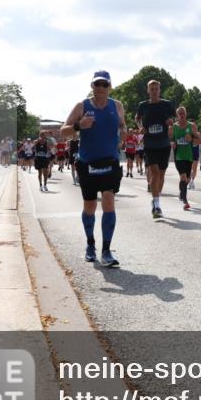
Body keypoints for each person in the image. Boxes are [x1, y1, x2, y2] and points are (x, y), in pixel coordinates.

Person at [61, 70, 125, 267]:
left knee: (108, 199)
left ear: (109, 87)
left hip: (110, 161)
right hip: (88, 163)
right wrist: (80, 126)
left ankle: (106, 250)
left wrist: (123, 134)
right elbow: (64, 131)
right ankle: (90, 244)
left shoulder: (117, 106)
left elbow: (122, 125)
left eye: (104, 85)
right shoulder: (82, 106)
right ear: (92, 86)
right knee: (90, 206)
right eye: (97, 84)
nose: (101, 88)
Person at [136, 79, 175, 219]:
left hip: (164, 143)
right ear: (148, 90)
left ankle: (155, 198)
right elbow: (137, 118)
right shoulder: (143, 105)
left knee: (162, 174)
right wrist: (140, 126)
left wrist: (170, 123)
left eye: (156, 88)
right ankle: (157, 205)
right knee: (154, 173)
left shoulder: (167, 104)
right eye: (151, 88)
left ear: (160, 90)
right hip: (150, 143)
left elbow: (172, 120)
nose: (154, 91)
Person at [171, 107, 198, 210]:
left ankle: (181, 192)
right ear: (177, 115)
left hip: (189, 156)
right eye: (180, 113)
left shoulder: (192, 126)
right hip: (178, 156)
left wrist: (192, 139)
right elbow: (171, 139)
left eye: (183, 113)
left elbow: (199, 140)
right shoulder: (174, 127)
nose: (182, 115)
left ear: (186, 114)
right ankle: (185, 200)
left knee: (187, 179)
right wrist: (172, 143)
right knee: (183, 177)